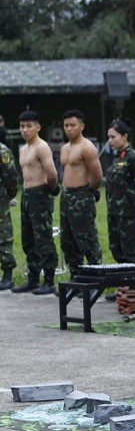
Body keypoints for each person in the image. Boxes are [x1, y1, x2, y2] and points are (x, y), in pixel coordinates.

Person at [12, 111, 59, 295]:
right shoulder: (23, 149)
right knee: (28, 238)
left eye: (29, 126)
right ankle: (33, 278)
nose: (25, 130)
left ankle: (49, 279)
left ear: (38, 127)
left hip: (40, 193)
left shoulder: (42, 147)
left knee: (43, 237)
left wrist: (52, 189)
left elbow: (52, 173)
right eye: (22, 126)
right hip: (27, 194)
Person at [59, 110, 103, 276]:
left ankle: (95, 277)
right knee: (68, 241)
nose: (69, 128)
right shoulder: (64, 149)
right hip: (66, 196)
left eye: (73, 125)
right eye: (66, 125)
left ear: (82, 126)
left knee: (87, 239)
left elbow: (98, 175)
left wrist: (88, 192)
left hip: (82, 195)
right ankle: (76, 276)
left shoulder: (87, 147)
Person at [105, 118, 135, 265]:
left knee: (133, 251)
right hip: (115, 214)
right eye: (108, 137)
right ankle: (126, 282)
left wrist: (134, 206)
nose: (110, 141)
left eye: (113, 137)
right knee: (117, 250)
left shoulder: (134, 158)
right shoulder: (117, 158)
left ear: (124, 137)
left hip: (130, 216)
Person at [0, 137, 19, 289]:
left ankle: (7, 275)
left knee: (3, 235)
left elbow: (11, 177)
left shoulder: (3, 151)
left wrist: (7, 196)